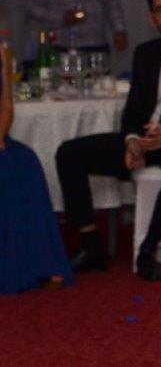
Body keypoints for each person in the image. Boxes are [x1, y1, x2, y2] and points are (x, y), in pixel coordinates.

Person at [55, 0, 161, 281]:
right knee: (69, 153)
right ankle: (91, 247)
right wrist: (132, 142)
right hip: (143, 140)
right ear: (151, 18)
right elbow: (132, 111)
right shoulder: (146, 53)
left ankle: (148, 249)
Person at [0, 48, 74, 294]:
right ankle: (13, 266)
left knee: (27, 161)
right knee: (6, 167)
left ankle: (42, 262)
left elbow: (6, 108)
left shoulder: (2, 53)